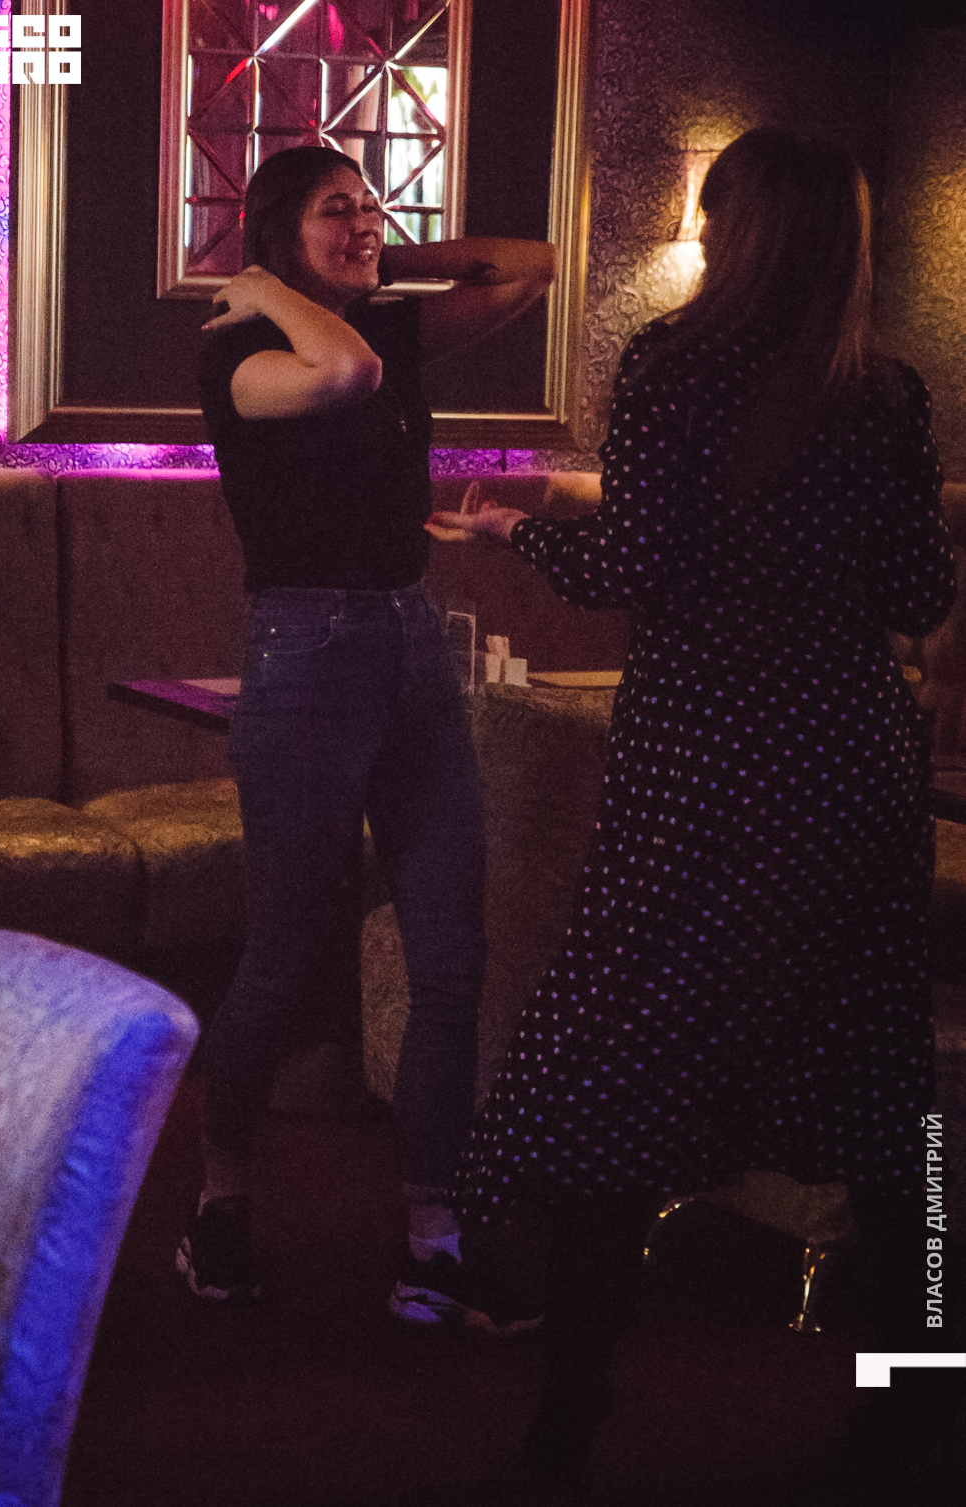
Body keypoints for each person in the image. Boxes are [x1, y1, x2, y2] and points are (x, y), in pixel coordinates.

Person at [431, 128, 960, 1498]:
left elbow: (631, 560)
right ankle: (911, 1405)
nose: (709, 240)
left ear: (742, 232)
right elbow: (919, 592)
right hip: (847, 765)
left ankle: (566, 1420)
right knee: (891, 1111)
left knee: (617, 1077)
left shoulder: (673, 363)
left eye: (718, 220)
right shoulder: (887, 390)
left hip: (708, 759)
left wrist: (518, 532)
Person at [179, 145, 556, 1316]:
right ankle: (219, 1203)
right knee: (285, 957)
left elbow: (532, 264)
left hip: (411, 643)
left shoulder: (380, 320)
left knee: (449, 958)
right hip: (307, 654)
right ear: (277, 230)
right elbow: (342, 372)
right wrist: (267, 283)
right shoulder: (240, 349)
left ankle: (433, 1243)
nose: (363, 224)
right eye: (335, 210)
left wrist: (384, 254)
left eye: (371, 207)